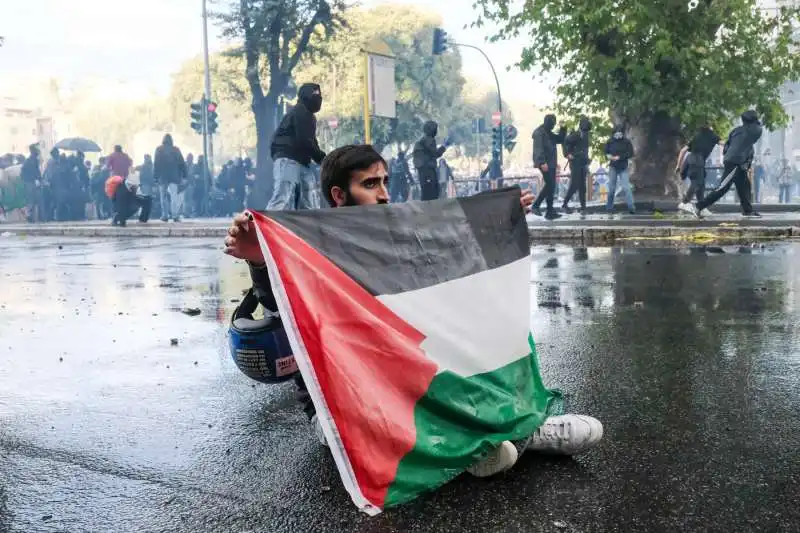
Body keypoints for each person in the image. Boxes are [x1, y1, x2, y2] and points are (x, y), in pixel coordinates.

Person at [223, 144, 604, 479]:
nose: (384, 194)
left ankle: (519, 430)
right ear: (339, 195)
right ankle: (497, 443)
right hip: (341, 404)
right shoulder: (310, 247)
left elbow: (446, 257)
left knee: (460, 362)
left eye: (385, 181)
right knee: (389, 427)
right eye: (370, 185)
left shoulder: (394, 237)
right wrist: (259, 260)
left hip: (400, 377)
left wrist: (494, 217)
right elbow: (281, 302)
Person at [687, 110, 763, 218]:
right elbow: (758, 126)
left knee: (744, 185)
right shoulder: (755, 130)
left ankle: (747, 210)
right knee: (723, 188)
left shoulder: (736, 130)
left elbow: (727, 145)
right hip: (735, 161)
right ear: (754, 119)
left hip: (734, 160)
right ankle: (699, 206)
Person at [268, 83, 325, 210]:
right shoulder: (301, 111)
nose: (318, 98)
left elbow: (310, 140)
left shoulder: (307, 114)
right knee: (282, 197)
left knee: (309, 199)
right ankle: (267, 227)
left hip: (300, 161)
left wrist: (321, 158)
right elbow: (305, 140)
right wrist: (322, 158)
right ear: (305, 95)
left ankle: (308, 226)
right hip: (288, 157)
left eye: (319, 95)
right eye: (315, 94)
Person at [530, 114, 567, 220]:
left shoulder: (549, 133)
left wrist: (563, 128)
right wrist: (542, 162)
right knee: (550, 184)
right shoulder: (539, 133)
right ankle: (536, 205)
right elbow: (538, 149)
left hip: (551, 163)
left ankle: (550, 211)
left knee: (551, 186)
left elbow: (560, 139)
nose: (553, 125)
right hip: (545, 163)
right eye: (552, 123)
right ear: (547, 122)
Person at [678, 125, 720, 217]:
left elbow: (683, 151)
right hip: (698, 160)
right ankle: (685, 202)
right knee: (696, 182)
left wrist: (678, 165)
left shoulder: (697, 136)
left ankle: (701, 207)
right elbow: (724, 143)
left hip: (691, 159)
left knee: (701, 184)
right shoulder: (711, 135)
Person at [412, 120, 450, 201]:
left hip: (422, 170)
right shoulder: (429, 140)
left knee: (425, 193)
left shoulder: (421, 140)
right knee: (432, 193)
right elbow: (435, 154)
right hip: (428, 170)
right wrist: (444, 146)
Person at [153, 134, 187, 222]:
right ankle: (175, 215)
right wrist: (184, 175)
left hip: (162, 176)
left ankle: (165, 215)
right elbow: (182, 163)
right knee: (174, 196)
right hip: (174, 176)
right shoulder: (176, 150)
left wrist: (155, 177)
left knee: (163, 197)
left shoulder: (159, 149)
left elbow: (156, 164)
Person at [562, 116, 592, 214]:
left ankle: (583, 207)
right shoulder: (575, 135)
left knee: (582, 186)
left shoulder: (586, 135)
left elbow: (585, 150)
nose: (586, 131)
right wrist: (567, 154)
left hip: (582, 163)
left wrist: (587, 160)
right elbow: (564, 141)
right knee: (574, 185)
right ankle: (565, 204)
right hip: (575, 163)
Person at [604, 125, 636, 214]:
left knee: (626, 187)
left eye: (620, 134)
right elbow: (606, 152)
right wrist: (608, 156)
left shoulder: (626, 142)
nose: (618, 136)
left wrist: (620, 157)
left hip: (623, 167)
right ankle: (609, 207)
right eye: (616, 134)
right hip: (613, 166)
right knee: (611, 188)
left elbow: (631, 153)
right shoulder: (610, 142)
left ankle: (631, 207)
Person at [20, 144, 42, 223]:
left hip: (30, 182)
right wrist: (39, 179)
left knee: (33, 199)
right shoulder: (32, 160)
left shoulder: (30, 160)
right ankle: (28, 214)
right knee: (31, 199)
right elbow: (36, 172)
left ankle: (30, 216)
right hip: (30, 182)